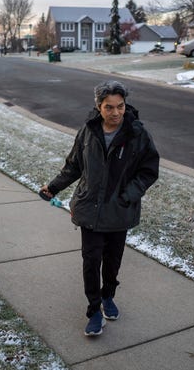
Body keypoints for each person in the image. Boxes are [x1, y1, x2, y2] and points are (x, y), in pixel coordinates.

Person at [40, 80, 159, 337]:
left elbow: (149, 171)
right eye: (109, 107)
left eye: (120, 106)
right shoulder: (88, 131)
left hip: (119, 211)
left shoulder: (137, 134)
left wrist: (127, 196)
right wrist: (53, 187)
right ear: (98, 106)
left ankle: (108, 297)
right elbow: (74, 166)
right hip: (89, 209)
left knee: (112, 262)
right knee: (91, 261)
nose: (116, 113)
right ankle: (94, 310)